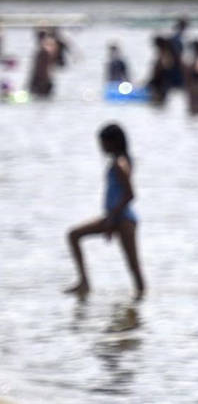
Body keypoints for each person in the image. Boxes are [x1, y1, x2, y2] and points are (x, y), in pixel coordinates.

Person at [65, 123, 145, 299]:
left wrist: (112, 218)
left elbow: (130, 194)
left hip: (124, 219)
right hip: (115, 217)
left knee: (133, 266)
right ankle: (84, 282)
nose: (101, 147)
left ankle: (141, 297)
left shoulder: (120, 164)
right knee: (73, 235)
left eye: (103, 143)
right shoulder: (117, 162)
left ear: (113, 142)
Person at [27, 28, 58, 98]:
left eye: (53, 45)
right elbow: (39, 72)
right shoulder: (43, 54)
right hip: (39, 86)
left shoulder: (48, 56)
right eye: (48, 45)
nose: (52, 48)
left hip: (42, 86)